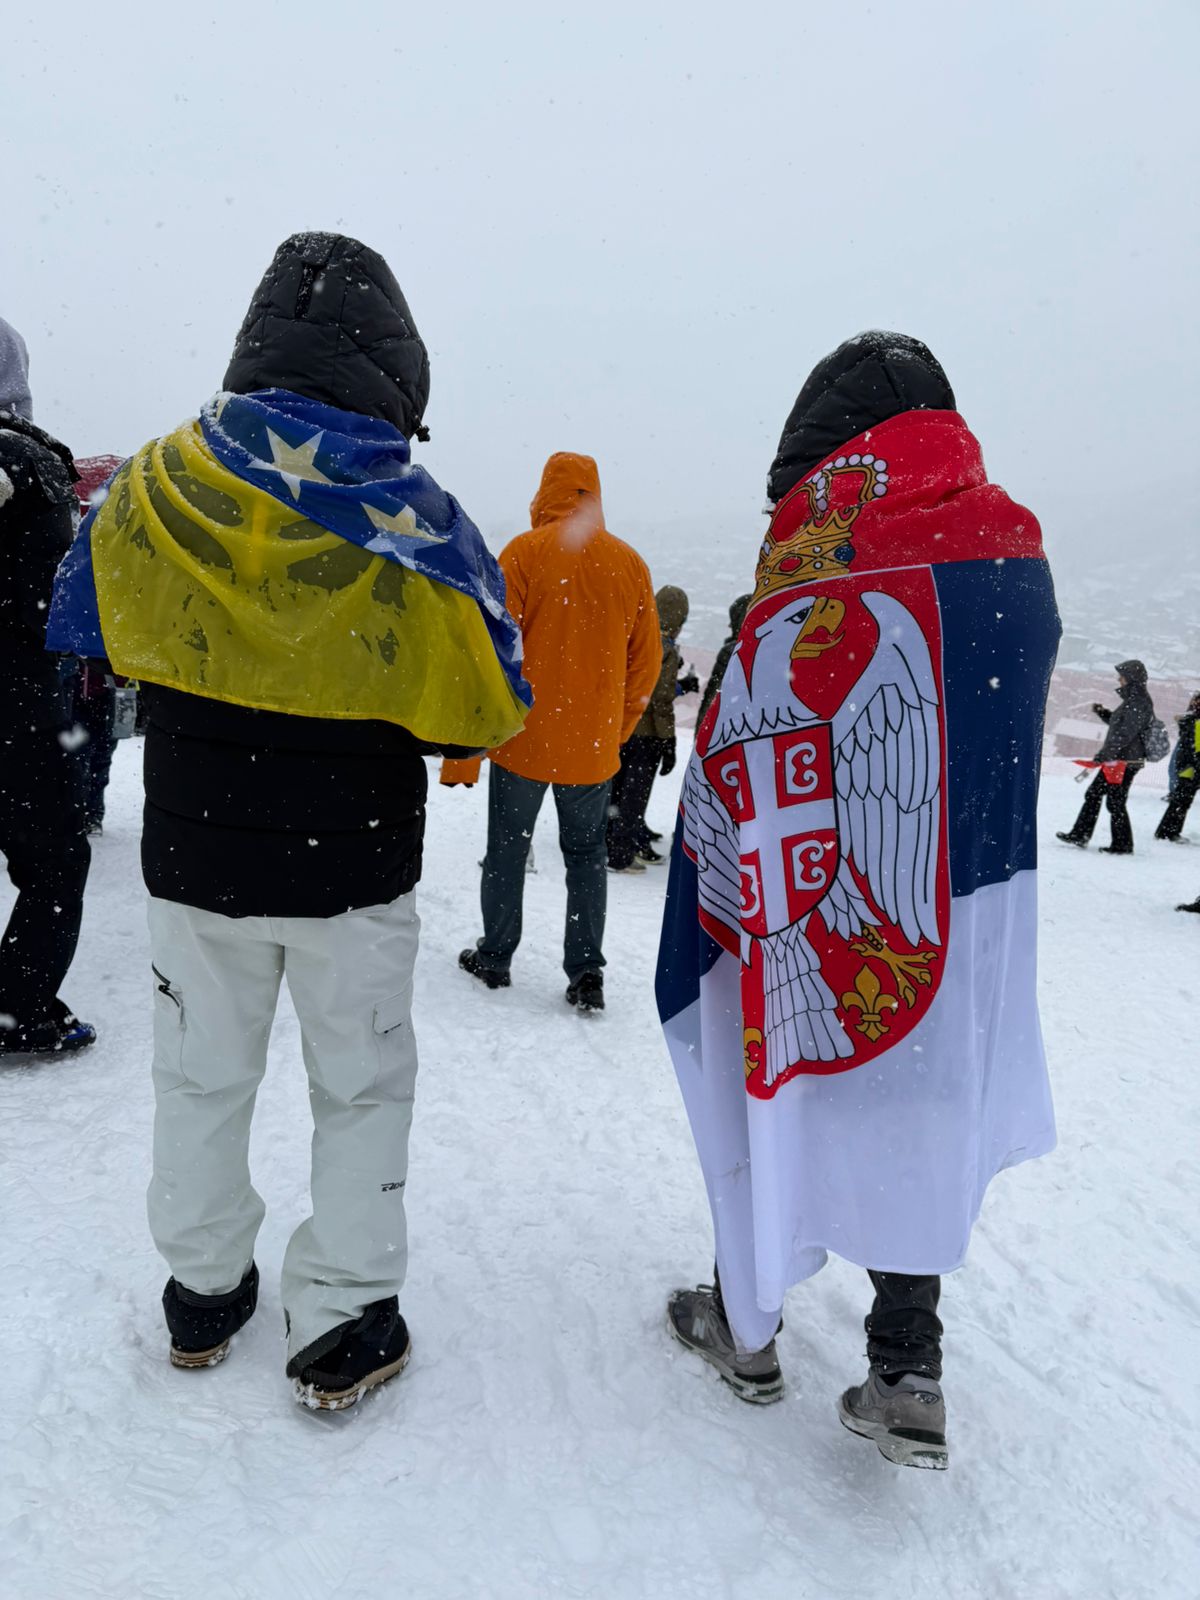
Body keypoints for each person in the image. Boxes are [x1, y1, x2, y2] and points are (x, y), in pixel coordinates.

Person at [48, 233, 530, 1407]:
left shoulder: (157, 485)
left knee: (198, 1078)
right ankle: (346, 1318)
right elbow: (487, 707)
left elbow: (86, 628)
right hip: (352, 871)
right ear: (394, 367)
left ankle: (203, 1292)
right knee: (358, 1087)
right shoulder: (419, 517)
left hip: (192, 856)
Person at [656, 331, 1060, 1470]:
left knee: (771, 1092)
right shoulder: (1014, 563)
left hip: (801, 921)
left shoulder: (812, 579)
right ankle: (906, 1369)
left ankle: (748, 1329)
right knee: (913, 1113)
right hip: (951, 922)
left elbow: (738, 763)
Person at [453, 452, 660, 1011]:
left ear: (546, 492)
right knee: (586, 857)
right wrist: (614, 729)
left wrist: (477, 735)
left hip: (523, 739)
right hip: (592, 748)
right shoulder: (630, 565)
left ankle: (495, 958)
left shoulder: (523, 554)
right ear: (594, 496)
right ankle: (586, 972)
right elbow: (646, 664)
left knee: (506, 852)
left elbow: (494, 650)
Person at [0, 316, 95, 1058]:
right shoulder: (26, 462)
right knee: (56, 860)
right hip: (19, 699)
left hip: (25, 691)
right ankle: (22, 1007)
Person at [607, 584, 697, 872]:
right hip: (647, 736)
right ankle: (622, 854)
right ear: (680, 619)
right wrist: (668, 741)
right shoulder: (667, 648)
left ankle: (609, 842)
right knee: (636, 794)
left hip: (624, 727)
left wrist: (680, 687)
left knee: (617, 792)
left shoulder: (637, 636)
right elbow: (660, 699)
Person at [69, 456, 126, 833]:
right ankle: (84, 811)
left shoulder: (114, 565)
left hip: (101, 676)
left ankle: (88, 811)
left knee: (96, 746)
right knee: (85, 746)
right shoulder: (78, 565)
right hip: (92, 674)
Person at [1056, 661, 1155, 854]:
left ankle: (1122, 845)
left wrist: (1104, 755)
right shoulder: (1133, 700)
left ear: (1131, 678)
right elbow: (1121, 726)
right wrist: (1104, 713)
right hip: (1117, 760)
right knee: (1095, 795)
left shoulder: (1139, 701)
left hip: (1124, 762)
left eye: (1122, 676)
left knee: (1115, 802)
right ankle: (1080, 835)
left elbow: (1125, 734)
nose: (1119, 679)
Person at [697, 593, 752, 723]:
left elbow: (712, 700)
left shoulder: (730, 652)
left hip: (725, 730)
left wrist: (700, 735)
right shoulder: (766, 651)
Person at [1155, 691, 1200, 842]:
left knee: (1180, 801)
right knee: (1182, 802)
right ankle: (1169, 832)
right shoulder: (1196, 721)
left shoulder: (1190, 719)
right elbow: (1196, 749)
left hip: (1187, 767)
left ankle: (1166, 831)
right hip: (1192, 768)